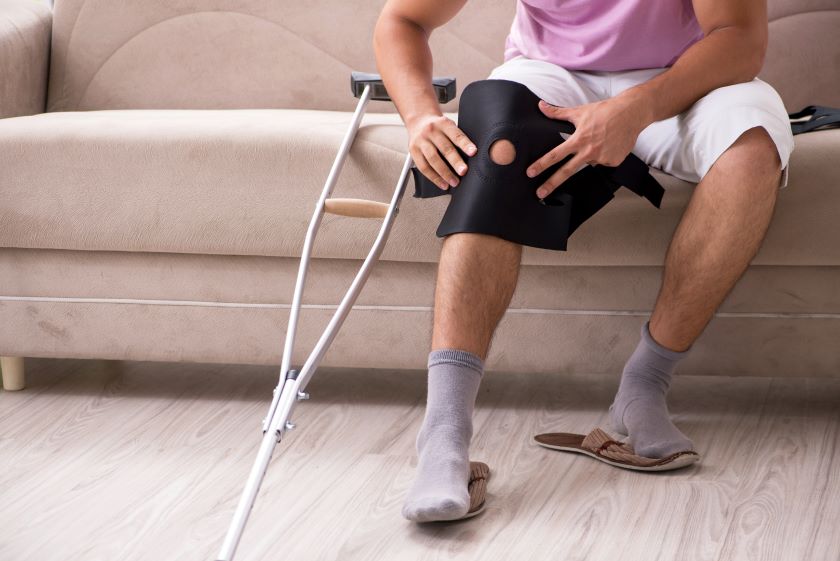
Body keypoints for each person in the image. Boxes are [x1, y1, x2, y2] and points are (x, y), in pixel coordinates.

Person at [372, 0, 794, 523]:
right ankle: (443, 438)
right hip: (552, 74)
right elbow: (403, 19)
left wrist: (638, 106)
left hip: (687, 76)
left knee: (751, 150)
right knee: (494, 150)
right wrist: (419, 116)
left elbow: (739, 37)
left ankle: (643, 386)